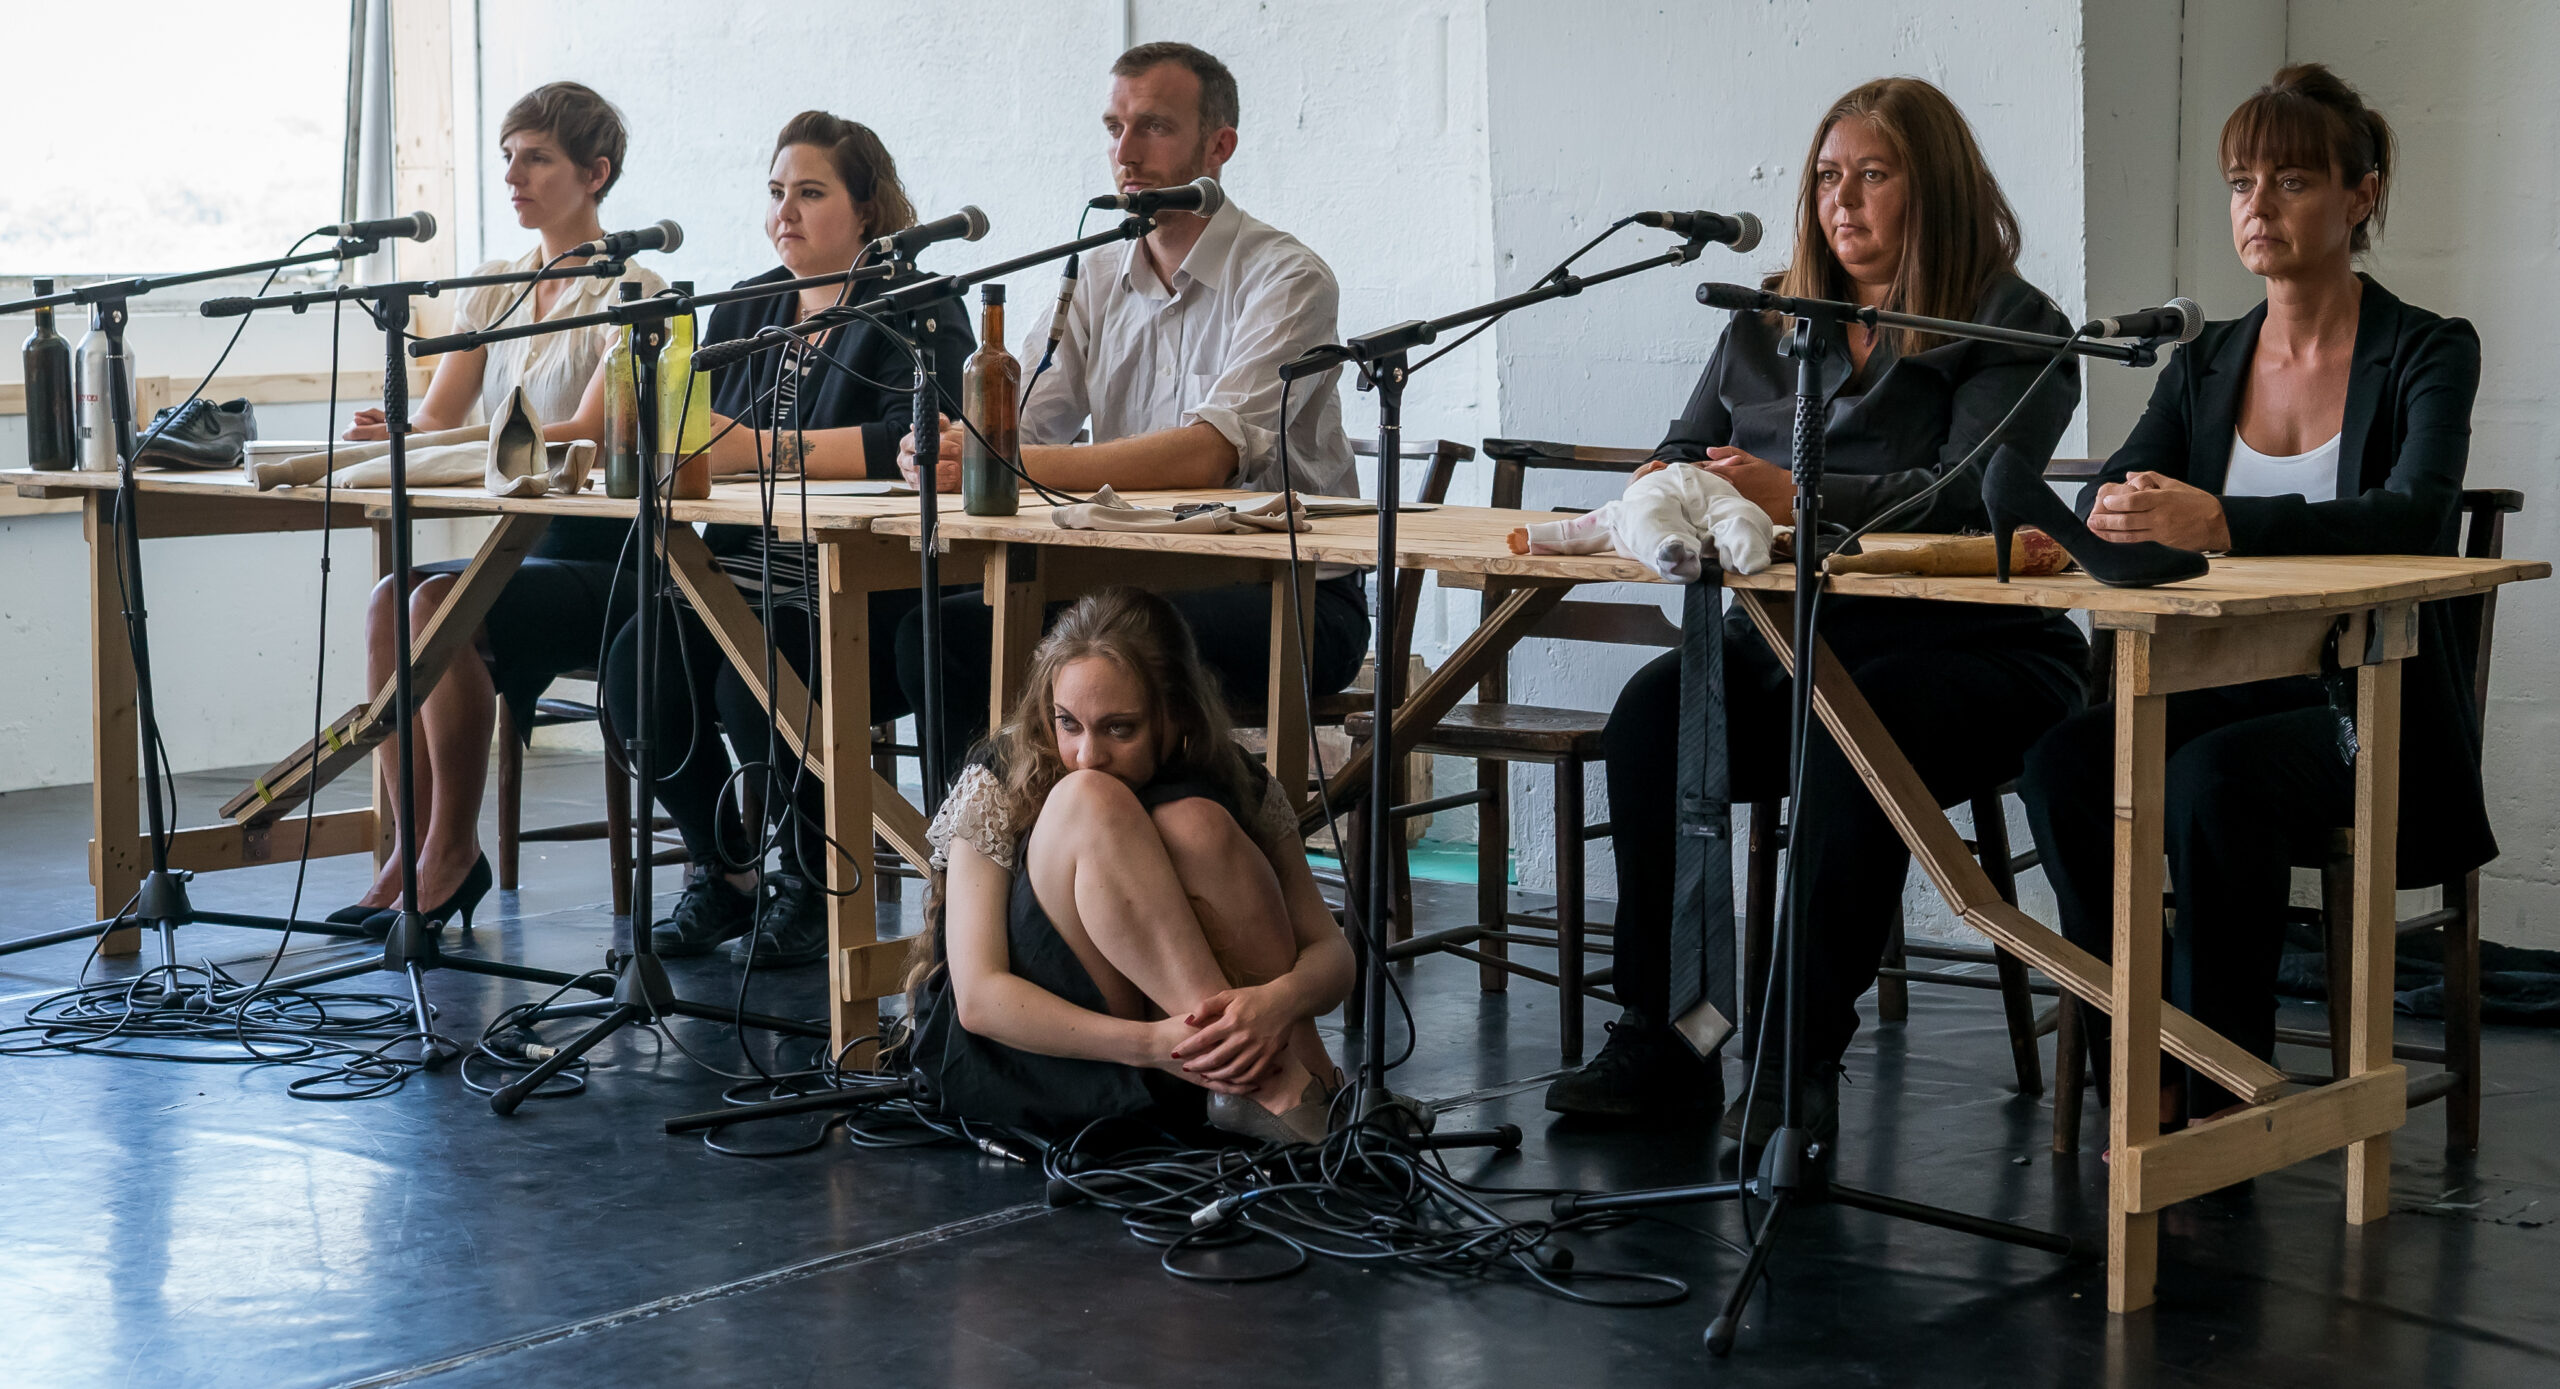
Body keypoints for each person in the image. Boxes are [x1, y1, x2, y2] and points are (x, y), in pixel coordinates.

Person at [1543, 77, 2090, 1145]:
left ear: (1932, 189)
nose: (1844, 201)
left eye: (1873, 176)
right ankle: (1664, 1040)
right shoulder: (1763, 316)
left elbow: (1973, 490)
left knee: (1853, 737)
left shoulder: (2010, 324)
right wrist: (1671, 487)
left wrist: (1798, 497)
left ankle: (1795, 1061)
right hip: (1789, 644)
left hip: (1973, 656)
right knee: (1652, 721)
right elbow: (1681, 448)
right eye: (1828, 177)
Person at [2017, 64, 2487, 1132]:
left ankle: (2228, 1094)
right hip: (2224, 682)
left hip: (2368, 708)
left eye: (2289, 181)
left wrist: (2223, 522)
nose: (2256, 207)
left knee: (2212, 782)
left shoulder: (2425, 348)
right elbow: (2115, 483)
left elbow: (2413, 515)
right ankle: (2140, 1064)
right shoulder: (2207, 359)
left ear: (2359, 198)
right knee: (2064, 764)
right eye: (2240, 182)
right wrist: (2117, 506)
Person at [894, 41, 1369, 771]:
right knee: (939, 630)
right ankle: (982, 867)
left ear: (1219, 145)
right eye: (1113, 128)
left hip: (1288, 596)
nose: (1125, 152)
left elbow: (1208, 452)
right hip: (1128, 577)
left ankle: (1087, 853)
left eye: (1153, 126)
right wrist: (954, 447)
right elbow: (1018, 419)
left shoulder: (1288, 277)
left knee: (1118, 645)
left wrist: (1006, 466)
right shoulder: (1095, 271)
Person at [599, 112, 971, 966]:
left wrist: (756, 450)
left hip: (861, 591)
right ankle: (722, 869)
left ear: (868, 208)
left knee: (750, 678)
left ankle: (809, 880)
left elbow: (917, 438)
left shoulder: (916, 304)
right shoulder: (746, 305)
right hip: (736, 575)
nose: (786, 213)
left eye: (810, 193)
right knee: (635, 667)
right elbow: (695, 432)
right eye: (776, 193)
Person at [331, 81, 665, 932]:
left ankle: (451, 852)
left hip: (609, 561)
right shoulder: (494, 285)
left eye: (537, 158)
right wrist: (394, 429)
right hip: (520, 549)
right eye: (508, 156)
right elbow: (441, 419)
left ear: (596, 173)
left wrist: (457, 443)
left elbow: (587, 433)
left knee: (437, 602)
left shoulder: (633, 289)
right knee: (388, 601)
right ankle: (412, 849)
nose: (514, 174)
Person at [901, 587, 1354, 1143]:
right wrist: (1151, 1044)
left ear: (1177, 712)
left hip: (1191, 1062)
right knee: (1089, 797)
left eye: (1120, 728)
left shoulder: (1231, 775)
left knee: (1199, 823)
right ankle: (1279, 1090)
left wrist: (1275, 1004)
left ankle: (1317, 1087)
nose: (1087, 754)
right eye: (1068, 723)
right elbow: (980, 1001)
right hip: (1053, 1056)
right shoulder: (1002, 772)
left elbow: (1332, 954)